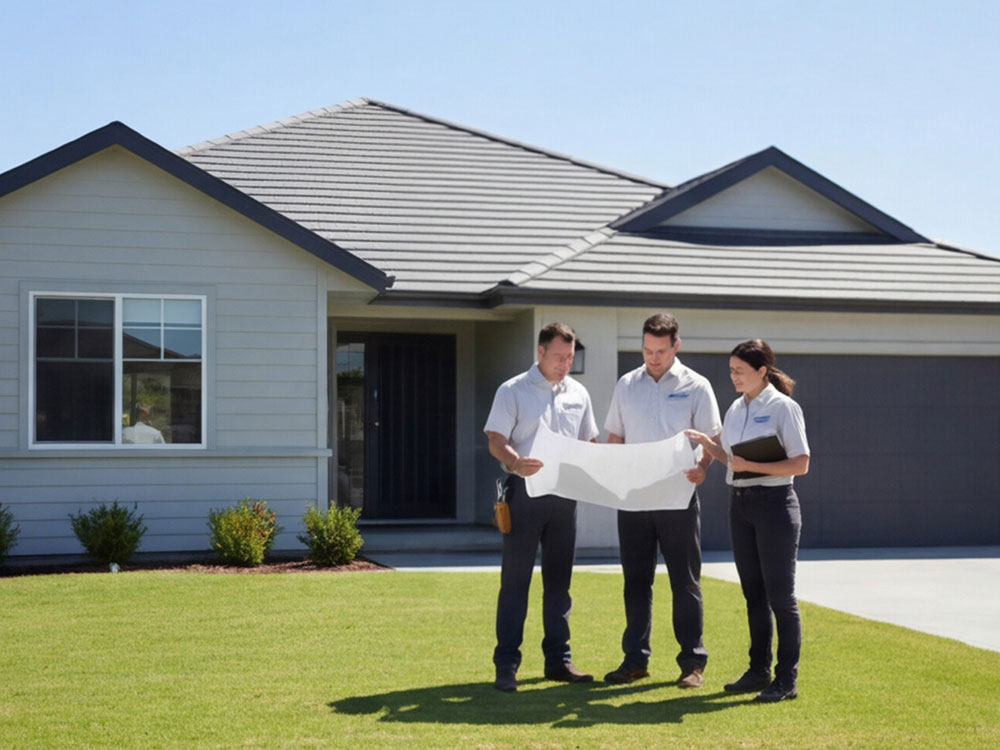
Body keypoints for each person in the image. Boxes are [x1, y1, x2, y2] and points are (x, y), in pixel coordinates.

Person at [686, 339, 810, 703]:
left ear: (761, 371)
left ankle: (786, 680)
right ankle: (759, 671)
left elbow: (801, 463)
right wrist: (708, 448)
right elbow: (732, 461)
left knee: (781, 598)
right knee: (752, 594)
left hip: (775, 505)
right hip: (740, 506)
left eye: (740, 371)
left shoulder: (784, 407)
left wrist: (749, 465)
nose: (734, 377)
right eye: (731, 371)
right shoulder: (736, 408)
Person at [602, 313, 722, 689]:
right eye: (646, 349)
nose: (652, 358)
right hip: (634, 499)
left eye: (660, 351)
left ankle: (692, 664)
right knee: (635, 582)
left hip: (678, 498)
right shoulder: (627, 384)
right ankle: (635, 660)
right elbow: (615, 438)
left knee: (684, 582)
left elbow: (712, 442)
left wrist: (702, 467)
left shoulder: (697, 386)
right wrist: (612, 474)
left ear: (676, 346)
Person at [484, 322, 599, 692]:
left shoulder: (579, 393)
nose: (565, 363)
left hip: (565, 498)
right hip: (524, 493)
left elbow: (588, 442)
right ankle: (506, 665)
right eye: (558, 357)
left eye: (569, 357)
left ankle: (558, 662)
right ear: (540, 352)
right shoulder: (513, 390)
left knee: (559, 585)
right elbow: (495, 439)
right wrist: (515, 462)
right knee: (515, 582)